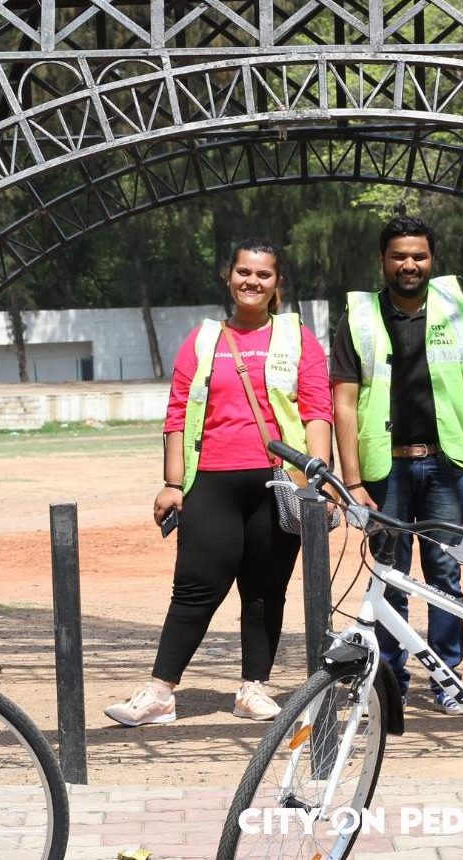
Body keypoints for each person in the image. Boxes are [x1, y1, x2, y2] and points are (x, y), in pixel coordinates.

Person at [104, 238, 333, 726]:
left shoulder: (298, 339)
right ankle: (161, 692)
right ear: (229, 276)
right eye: (243, 272)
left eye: (263, 274)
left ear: (277, 284)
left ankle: (254, 688)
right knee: (195, 587)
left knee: (266, 590)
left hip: (280, 483)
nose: (252, 281)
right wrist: (172, 482)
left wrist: (318, 475)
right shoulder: (204, 339)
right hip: (210, 480)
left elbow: (317, 409)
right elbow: (176, 411)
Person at [331, 214, 463, 714]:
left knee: (446, 574)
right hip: (385, 472)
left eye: (419, 256)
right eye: (399, 256)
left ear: (432, 259)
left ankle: (447, 678)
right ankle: (391, 680)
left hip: (445, 466)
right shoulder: (359, 317)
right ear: (383, 260)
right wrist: (352, 479)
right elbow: (343, 399)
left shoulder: (460, 309)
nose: (410, 265)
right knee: (389, 575)